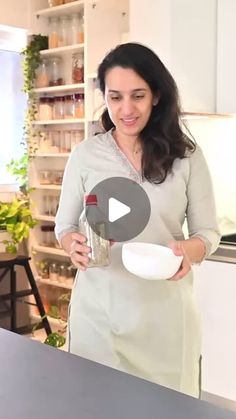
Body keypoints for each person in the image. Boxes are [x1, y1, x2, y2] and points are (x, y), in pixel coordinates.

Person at [55, 42, 220, 397]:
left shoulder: (186, 157)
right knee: (96, 406)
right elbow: (64, 225)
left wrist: (188, 250)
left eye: (138, 96)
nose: (125, 109)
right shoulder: (86, 156)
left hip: (165, 321)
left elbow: (209, 232)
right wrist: (73, 244)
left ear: (156, 96)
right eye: (115, 97)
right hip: (100, 316)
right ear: (106, 99)